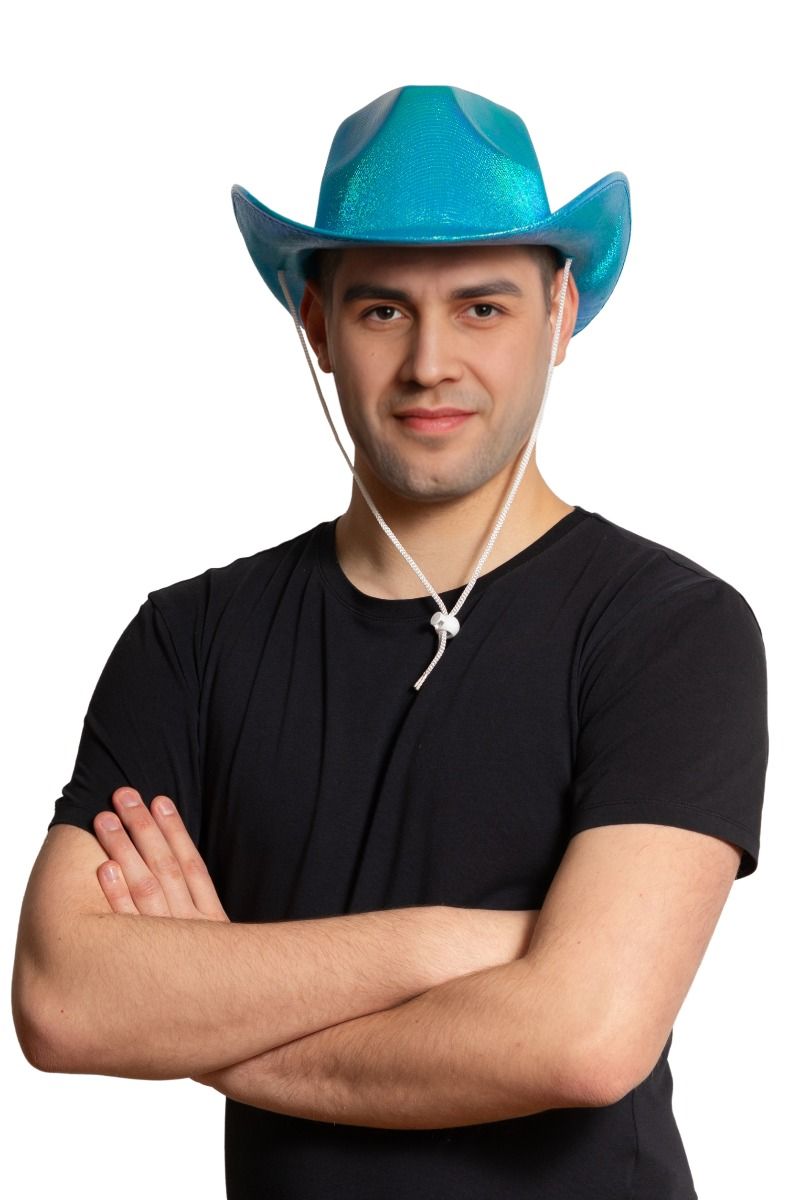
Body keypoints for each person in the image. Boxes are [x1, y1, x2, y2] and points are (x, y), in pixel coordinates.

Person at [13, 84, 768, 1199]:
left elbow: (584, 1037)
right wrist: (454, 945)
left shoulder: (669, 629)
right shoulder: (189, 640)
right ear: (316, 325)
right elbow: (63, 1001)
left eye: (481, 308)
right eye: (381, 311)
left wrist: (206, 1021)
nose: (429, 364)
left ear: (559, 316)